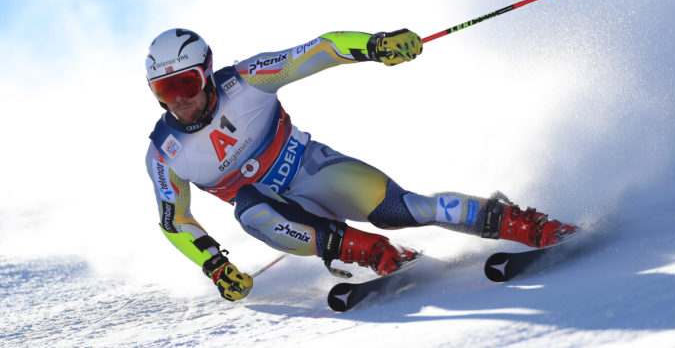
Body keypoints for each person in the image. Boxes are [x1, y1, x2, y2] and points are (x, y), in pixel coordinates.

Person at [145, 28, 576, 301]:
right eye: (165, 90)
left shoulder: (247, 80)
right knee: (253, 211)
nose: (179, 98)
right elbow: (175, 220)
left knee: (408, 210)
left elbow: (320, 49)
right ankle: (374, 254)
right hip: (282, 217)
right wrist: (216, 267)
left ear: (206, 72)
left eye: (187, 82)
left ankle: (521, 223)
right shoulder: (165, 153)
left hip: (315, 171)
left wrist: (374, 46)